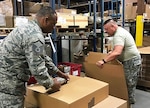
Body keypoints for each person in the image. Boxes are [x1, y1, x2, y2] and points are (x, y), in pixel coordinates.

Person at [0, 6, 69, 108]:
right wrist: (51, 84)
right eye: (53, 24)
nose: (54, 28)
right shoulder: (35, 37)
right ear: (45, 20)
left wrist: (58, 72)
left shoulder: (27, 27)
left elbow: (42, 56)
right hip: (10, 85)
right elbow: (37, 68)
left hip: (4, 78)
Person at [96, 19, 142, 105]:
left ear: (113, 26)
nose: (106, 31)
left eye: (107, 29)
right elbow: (118, 49)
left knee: (129, 82)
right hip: (128, 60)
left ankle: (129, 102)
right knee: (125, 81)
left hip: (131, 60)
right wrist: (112, 52)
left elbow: (117, 52)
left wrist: (103, 61)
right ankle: (126, 100)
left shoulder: (119, 35)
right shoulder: (119, 32)